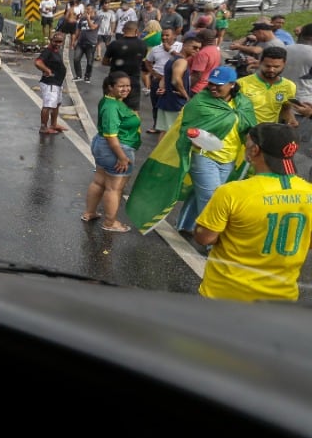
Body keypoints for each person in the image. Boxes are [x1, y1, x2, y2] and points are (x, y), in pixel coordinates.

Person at [126, 65, 257, 235]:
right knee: (213, 198)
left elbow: (249, 127)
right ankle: (211, 238)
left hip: (229, 158)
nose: (213, 87)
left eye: (219, 84)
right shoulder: (201, 101)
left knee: (201, 193)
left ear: (232, 84)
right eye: (211, 83)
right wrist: (194, 137)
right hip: (203, 156)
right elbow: (187, 125)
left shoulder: (243, 103)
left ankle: (186, 225)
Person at [194, 123, 312, 301]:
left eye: (247, 143)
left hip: (225, 295)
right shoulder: (309, 192)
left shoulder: (231, 192)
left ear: (255, 150)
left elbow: (205, 237)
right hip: (281, 299)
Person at [81, 72, 142, 233]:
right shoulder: (111, 107)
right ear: (110, 87)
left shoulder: (111, 101)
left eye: (128, 85)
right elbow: (111, 136)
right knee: (114, 188)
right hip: (116, 149)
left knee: (99, 181)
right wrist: (122, 157)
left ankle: (90, 213)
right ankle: (110, 222)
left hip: (104, 148)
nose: (126, 89)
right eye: (121, 86)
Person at [236, 45, 297, 126]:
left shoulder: (289, 86)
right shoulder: (241, 83)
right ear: (260, 63)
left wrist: (291, 119)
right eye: (267, 66)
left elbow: (286, 109)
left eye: (276, 67)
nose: (271, 70)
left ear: (284, 64)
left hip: (269, 134)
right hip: (244, 134)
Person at [153, 32, 200, 135]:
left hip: (166, 101)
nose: (197, 50)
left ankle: (159, 151)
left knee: (165, 133)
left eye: (199, 48)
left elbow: (165, 78)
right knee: (173, 134)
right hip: (175, 103)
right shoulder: (182, 61)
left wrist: (163, 88)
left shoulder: (172, 59)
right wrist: (185, 95)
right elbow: (175, 80)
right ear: (184, 45)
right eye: (194, 47)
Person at [102, 20, 147, 112]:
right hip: (133, 81)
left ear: (123, 30)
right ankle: (131, 126)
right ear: (137, 31)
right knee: (132, 110)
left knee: (111, 108)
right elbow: (142, 60)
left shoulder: (115, 44)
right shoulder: (142, 45)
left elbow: (104, 61)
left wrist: (115, 64)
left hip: (115, 81)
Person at [34, 32, 68, 135]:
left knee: (56, 104)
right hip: (50, 83)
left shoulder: (56, 50)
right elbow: (38, 62)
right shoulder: (48, 51)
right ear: (51, 40)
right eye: (55, 41)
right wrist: (47, 70)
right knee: (48, 105)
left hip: (57, 83)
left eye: (60, 42)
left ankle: (54, 124)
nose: (58, 44)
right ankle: (43, 127)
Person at [186, 27, 220, 93]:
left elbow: (196, 75)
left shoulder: (203, 53)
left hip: (196, 88)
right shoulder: (216, 50)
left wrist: (185, 88)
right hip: (206, 86)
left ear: (202, 39)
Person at [74, 3, 100, 82]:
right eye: (86, 9)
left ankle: (87, 76)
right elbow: (78, 30)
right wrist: (74, 40)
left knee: (89, 62)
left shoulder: (97, 18)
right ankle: (78, 76)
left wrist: (88, 19)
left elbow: (92, 27)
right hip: (81, 43)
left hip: (91, 43)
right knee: (76, 59)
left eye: (88, 9)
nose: (86, 11)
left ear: (93, 10)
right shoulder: (82, 19)